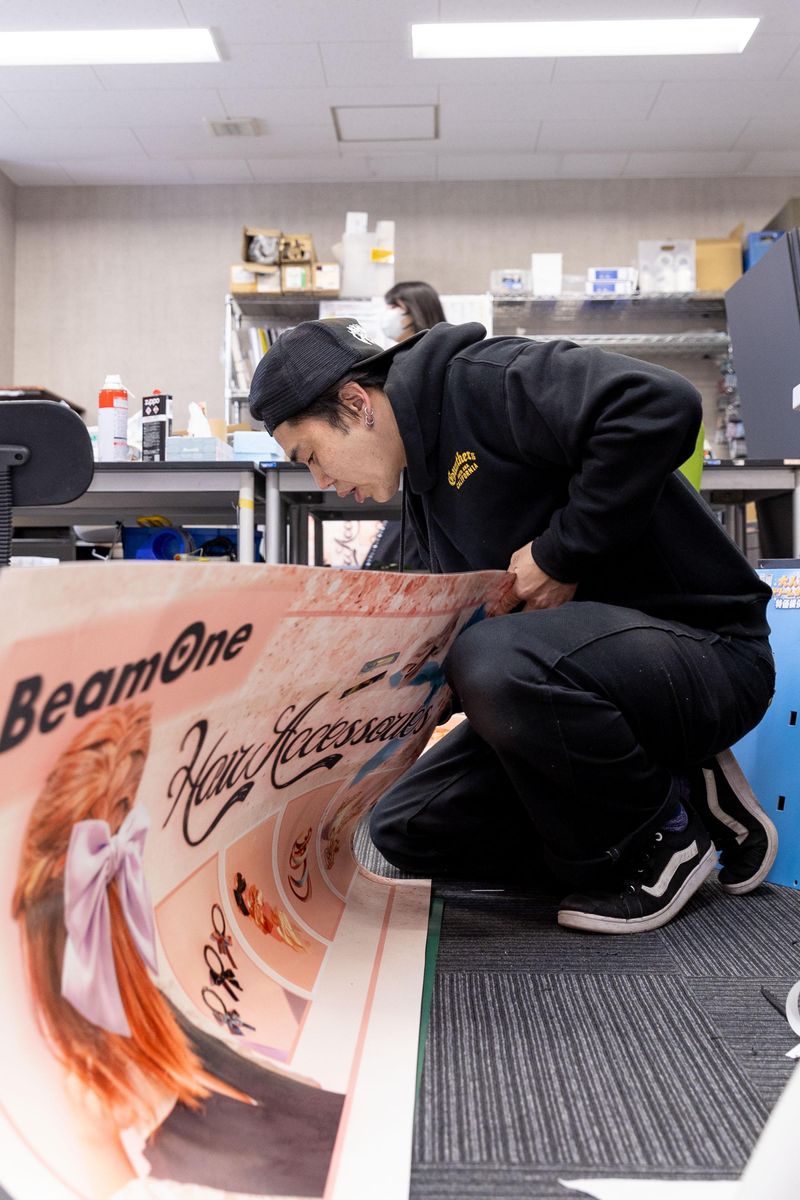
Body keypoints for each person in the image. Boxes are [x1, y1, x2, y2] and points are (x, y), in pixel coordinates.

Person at [248, 317, 777, 936]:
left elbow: (662, 402)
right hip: (591, 681)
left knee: (488, 659)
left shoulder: (486, 381)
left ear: (356, 402)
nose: (322, 482)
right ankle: (671, 781)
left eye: (311, 456)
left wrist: (561, 553)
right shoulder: (422, 486)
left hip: (707, 652)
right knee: (407, 829)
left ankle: (661, 839)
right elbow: (449, 638)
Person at [13, 703, 343, 1197]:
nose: (119, 827)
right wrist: (100, 1146)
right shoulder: (70, 959)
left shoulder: (125, 955)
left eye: (123, 806)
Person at [381, 279, 447, 344]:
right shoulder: (401, 350)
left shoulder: (446, 347)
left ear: (418, 311)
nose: (389, 313)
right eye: (388, 307)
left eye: (394, 307)